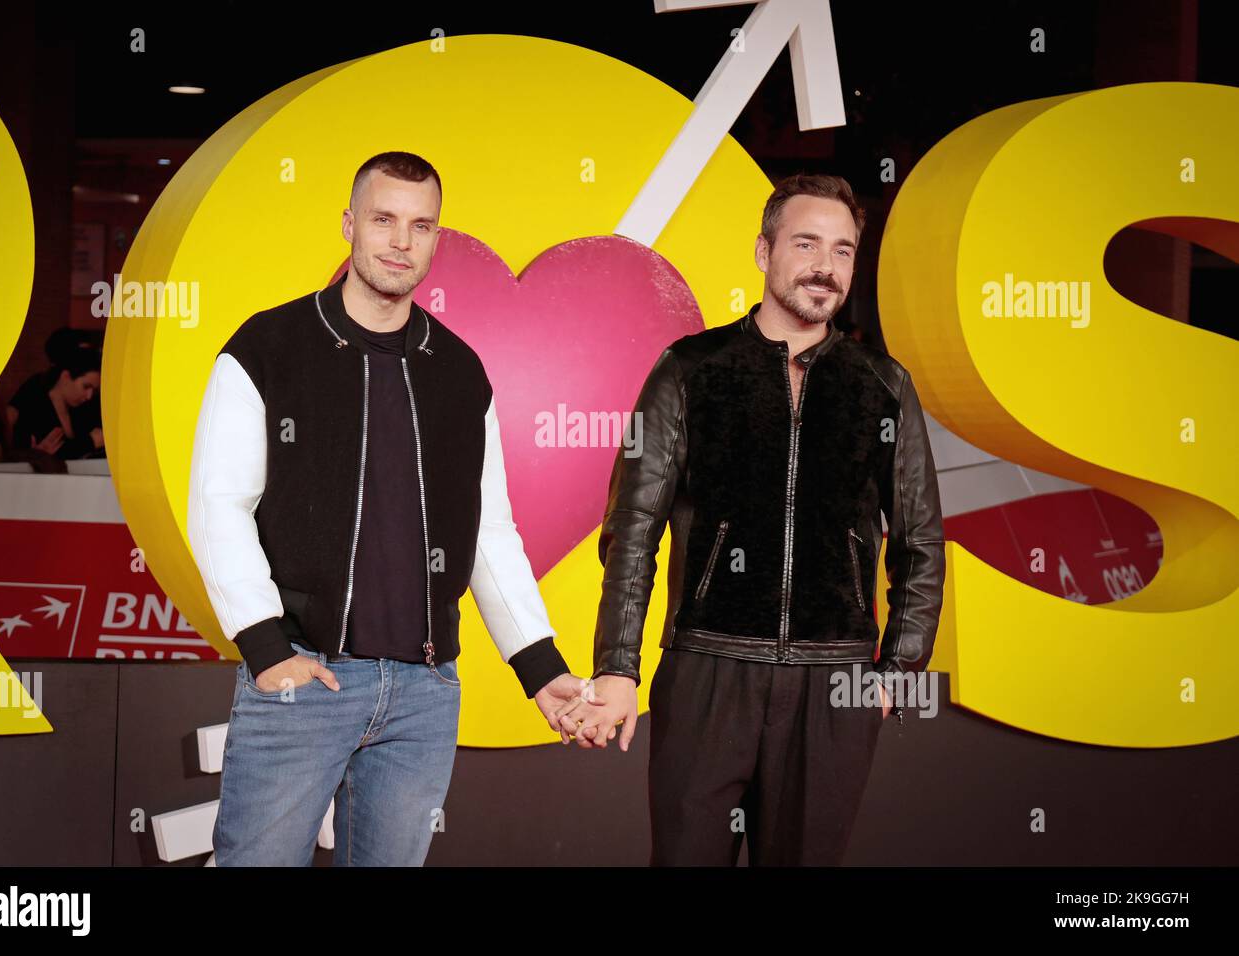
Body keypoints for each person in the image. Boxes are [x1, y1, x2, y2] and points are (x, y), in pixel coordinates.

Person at [188, 151, 589, 867]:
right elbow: (220, 504)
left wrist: (539, 665)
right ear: (350, 225)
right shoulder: (267, 347)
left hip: (424, 694)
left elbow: (488, 531)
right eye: (383, 220)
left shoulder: (461, 372)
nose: (401, 241)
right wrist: (267, 651)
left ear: (437, 238)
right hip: (305, 678)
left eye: (420, 225)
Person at [559, 173, 946, 865]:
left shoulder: (882, 385)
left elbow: (920, 540)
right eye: (806, 244)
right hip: (708, 669)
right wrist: (616, 666)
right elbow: (632, 527)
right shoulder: (690, 369)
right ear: (764, 252)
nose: (825, 266)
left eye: (843, 250)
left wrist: (900, 668)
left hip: (837, 682)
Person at [6, 346, 104, 460]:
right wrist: (90, 442)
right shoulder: (35, 398)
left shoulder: (84, 409)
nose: (89, 395)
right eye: (86, 387)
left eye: (94, 390)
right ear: (65, 376)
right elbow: (50, 452)